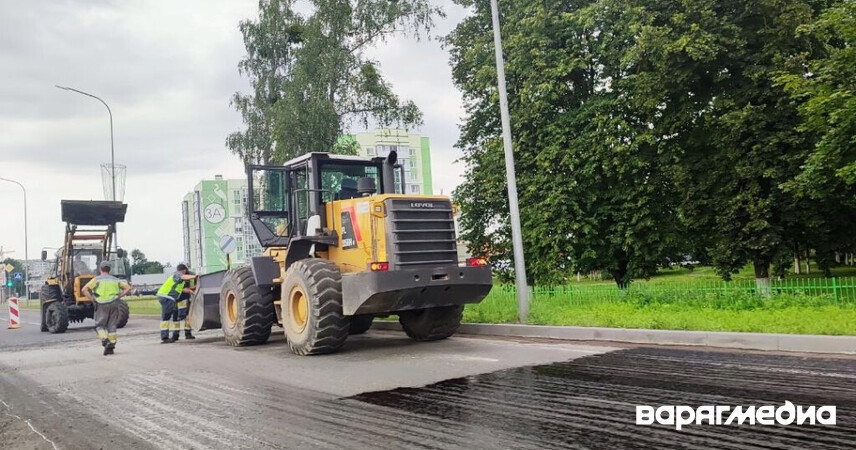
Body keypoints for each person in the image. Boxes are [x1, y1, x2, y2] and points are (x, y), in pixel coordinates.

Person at [82, 262, 132, 356]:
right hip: (114, 303)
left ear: (100, 269)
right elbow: (128, 288)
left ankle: (105, 340)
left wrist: (92, 299)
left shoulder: (96, 279)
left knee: (100, 326)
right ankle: (111, 346)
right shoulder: (115, 280)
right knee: (112, 325)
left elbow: (84, 289)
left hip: (101, 304)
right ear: (109, 269)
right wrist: (119, 296)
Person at [157, 264, 197, 344]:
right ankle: (165, 337)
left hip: (168, 298)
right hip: (167, 297)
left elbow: (185, 289)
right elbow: (183, 277)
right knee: (167, 317)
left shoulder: (179, 279)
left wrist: (190, 291)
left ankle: (172, 335)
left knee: (169, 316)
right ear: (183, 270)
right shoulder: (178, 275)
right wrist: (195, 276)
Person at [171, 268, 196, 341]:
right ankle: (176, 335)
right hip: (178, 298)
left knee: (185, 316)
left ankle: (186, 334)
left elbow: (192, 286)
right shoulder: (176, 276)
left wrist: (191, 289)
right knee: (177, 317)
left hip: (183, 298)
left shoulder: (190, 275)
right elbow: (182, 288)